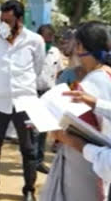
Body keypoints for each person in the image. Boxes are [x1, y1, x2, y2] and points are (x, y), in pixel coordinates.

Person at [0, 0, 45, 201]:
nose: (4, 24)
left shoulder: (35, 41)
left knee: (28, 149)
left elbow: (37, 68)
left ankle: (29, 190)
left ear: (19, 19)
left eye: (8, 20)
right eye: (2, 20)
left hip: (25, 102)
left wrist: (20, 87)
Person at [41, 21, 111, 201]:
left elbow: (73, 127)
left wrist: (56, 130)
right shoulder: (106, 74)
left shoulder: (91, 83)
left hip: (84, 164)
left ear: (80, 47)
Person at [36, 24, 64, 174]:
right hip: (33, 93)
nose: (48, 39)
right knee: (30, 130)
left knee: (42, 130)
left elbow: (58, 71)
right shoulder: (33, 50)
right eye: (46, 36)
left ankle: (39, 161)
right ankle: (29, 160)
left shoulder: (55, 52)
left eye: (51, 37)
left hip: (47, 94)